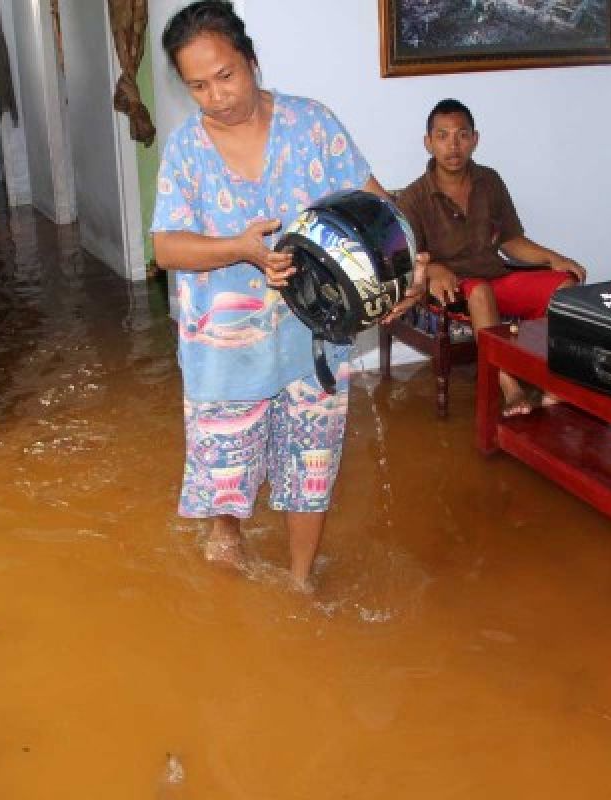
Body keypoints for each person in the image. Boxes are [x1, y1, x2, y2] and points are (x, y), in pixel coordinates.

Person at [150, 1, 426, 592]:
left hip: (313, 339)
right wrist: (240, 248)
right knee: (229, 474)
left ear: (250, 60)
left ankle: (300, 583)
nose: (216, 96)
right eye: (197, 85)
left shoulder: (312, 126)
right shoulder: (185, 150)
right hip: (223, 351)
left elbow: (377, 211)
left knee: (312, 465)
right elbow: (167, 249)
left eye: (225, 75)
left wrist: (409, 270)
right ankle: (228, 529)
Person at [397, 98, 586, 415]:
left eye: (462, 135)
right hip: (455, 289)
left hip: (496, 276)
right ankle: (510, 389)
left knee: (565, 287)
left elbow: (511, 240)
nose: (453, 146)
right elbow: (410, 258)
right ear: (428, 143)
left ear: (475, 140)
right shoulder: (413, 197)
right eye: (442, 136)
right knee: (480, 291)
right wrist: (435, 269)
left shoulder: (490, 181)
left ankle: (552, 383)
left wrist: (554, 258)